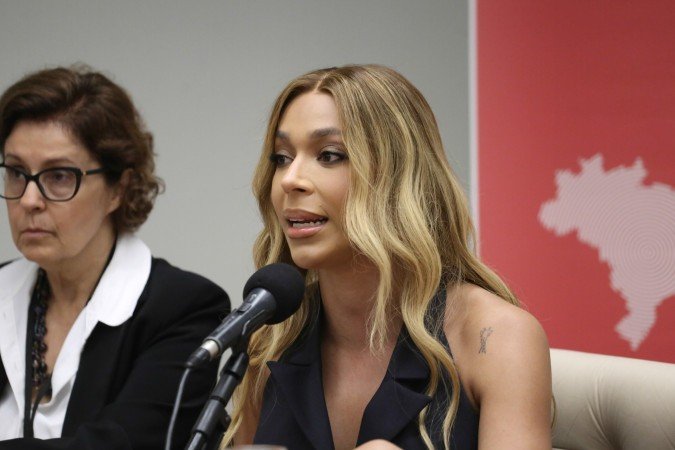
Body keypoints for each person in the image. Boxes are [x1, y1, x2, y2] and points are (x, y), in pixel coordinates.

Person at [223, 65, 552, 450]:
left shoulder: (497, 337)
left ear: (398, 178)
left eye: (329, 155)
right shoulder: (270, 339)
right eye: (281, 158)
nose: (289, 179)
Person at [0, 66, 230, 449]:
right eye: (16, 172)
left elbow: (120, 445)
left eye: (59, 176)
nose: (28, 200)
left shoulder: (184, 310)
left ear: (118, 189)